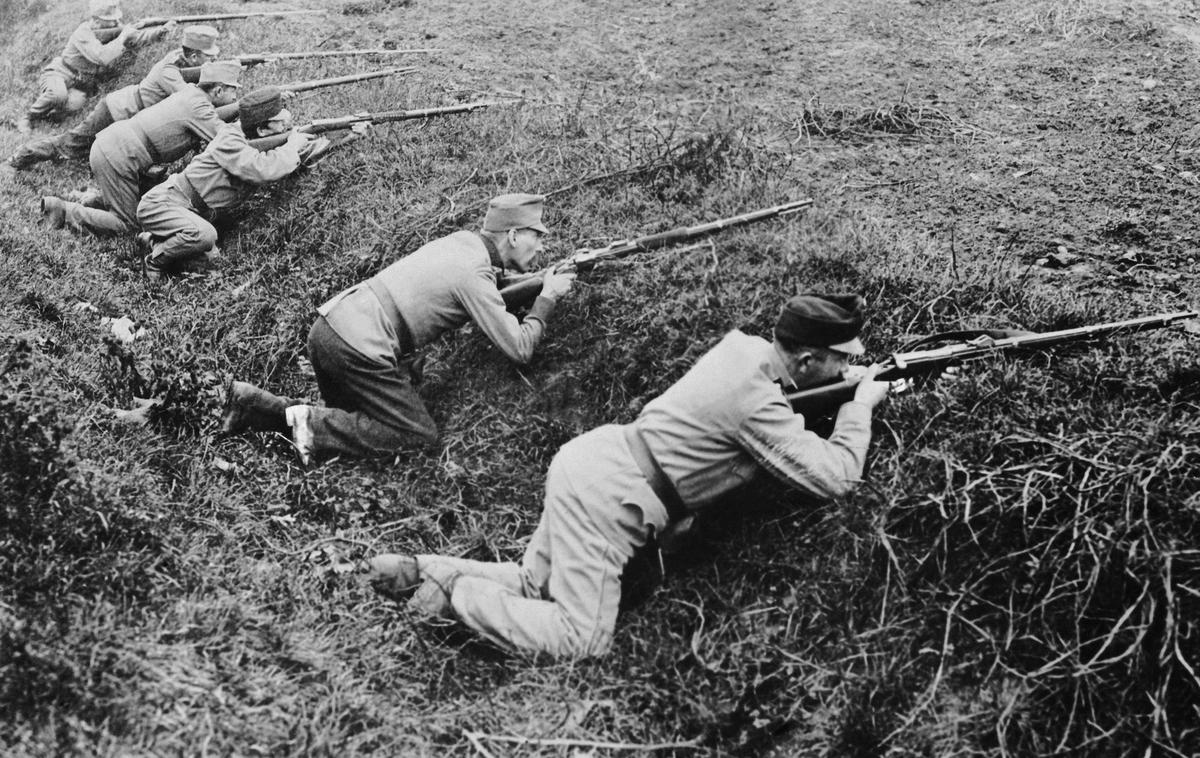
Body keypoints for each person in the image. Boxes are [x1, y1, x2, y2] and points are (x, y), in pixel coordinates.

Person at [365, 294, 894, 659]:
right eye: (838, 362)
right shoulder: (755, 402)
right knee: (581, 639)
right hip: (612, 500)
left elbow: (777, 407)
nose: (845, 370)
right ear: (804, 359)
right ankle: (454, 599)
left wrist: (838, 385)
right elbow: (835, 479)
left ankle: (421, 570)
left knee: (536, 584)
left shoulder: (745, 351)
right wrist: (859, 407)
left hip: (596, 464)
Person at [219, 193, 577, 463]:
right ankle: (289, 417)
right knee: (417, 435)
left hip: (329, 331)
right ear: (513, 235)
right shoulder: (473, 273)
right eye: (536, 236)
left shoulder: (463, 245)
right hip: (356, 350)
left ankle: (260, 407)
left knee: (354, 422)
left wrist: (539, 279)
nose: (541, 245)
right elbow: (519, 349)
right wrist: (547, 299)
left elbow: (490, 297)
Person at [135, 86, 320, 280]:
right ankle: (155, 259)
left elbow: (277, 157)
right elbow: (263, 169)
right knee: (205, 237)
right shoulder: (230, 140)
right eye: (281, 124)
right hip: (161, 204)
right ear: (261, 130)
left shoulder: (248, 135)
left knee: (211, 261)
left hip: (192, 209)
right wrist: (292, 146)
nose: (287, 128)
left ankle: (154, 239)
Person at [38, 61, 241, 238]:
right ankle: (64, 211)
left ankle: (93, 201)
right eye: (234, 91)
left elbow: (213, 117)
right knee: (127, 224)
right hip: (119, 155)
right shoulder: (199, 108)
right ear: (218, 91)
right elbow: (226, 138)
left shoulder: (192, 95)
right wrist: (247, 115)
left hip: (117, 147)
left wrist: (240, 107)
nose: (235, 96)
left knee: (136, 204)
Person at [10, 25, 220, 170]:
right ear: (193, 56)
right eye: (210, 57)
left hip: (126, 116)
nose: (214, 60)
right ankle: (22, 156)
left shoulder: (182, 58)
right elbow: (190, 101)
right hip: (116, 111)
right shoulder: (170, 70)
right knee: (71, 144)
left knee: (86, 148)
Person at [18, 0, 173, 133]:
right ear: (97, 21)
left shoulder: (114, 29)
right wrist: (122, 37)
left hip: (79, 82)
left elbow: (137, 38)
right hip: (59, 73)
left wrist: (161, 31)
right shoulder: (83, 32)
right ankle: (28, 116)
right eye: (111, 20)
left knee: (73, 105)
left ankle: (48, 112)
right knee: (59, 94)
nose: (116, 23)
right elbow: (102, 57)